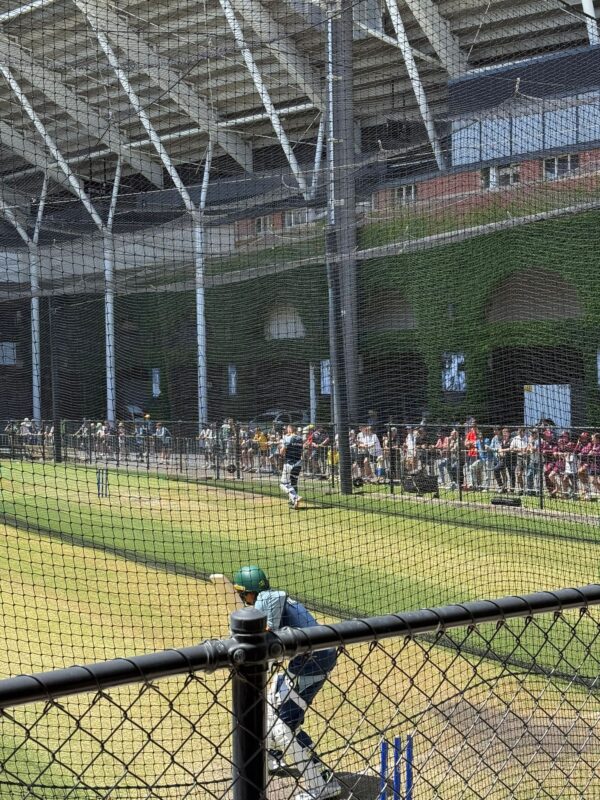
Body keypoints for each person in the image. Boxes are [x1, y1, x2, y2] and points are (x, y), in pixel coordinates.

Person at [232, 566, 341, 800]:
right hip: (306, 661)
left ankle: (321, 783)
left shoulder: (267, 600)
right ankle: (271, 756)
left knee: (284, 725)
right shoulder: (271, 597)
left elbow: (265, 639)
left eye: (242, 594)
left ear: (248, 593)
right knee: (271, 703)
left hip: (313, 664)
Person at [280, 424, 304, 509]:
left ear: (290, 430)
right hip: (298, 463)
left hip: (289, 463)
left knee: (283, 484)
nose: (286, 430)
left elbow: (282, 452)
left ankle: (295, 497)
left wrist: (283, 442)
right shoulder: (300, 439)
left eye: (287, 429)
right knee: (293, 483)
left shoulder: (287, 438)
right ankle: (294, 502)